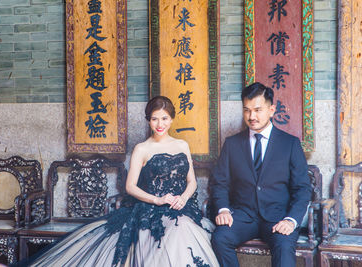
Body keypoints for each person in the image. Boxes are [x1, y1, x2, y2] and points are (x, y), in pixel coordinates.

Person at [27, 96, 219, 266]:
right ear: (148, 120)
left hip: (180, 207)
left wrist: (183, 199)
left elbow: (192, 182)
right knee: (170, 233)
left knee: (184, 228)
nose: (159, 124)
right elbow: (130, 187)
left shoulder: (182, 145)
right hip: (152, 208)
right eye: (154, 119)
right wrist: (157, 200)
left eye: (164, 118)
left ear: (172, 119)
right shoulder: (142, 148)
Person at [211, 82, 311, 267]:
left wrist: (291, 220)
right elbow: (220, 183)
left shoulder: (290, 144)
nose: (252, 116)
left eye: (258, 110)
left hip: (277, 217)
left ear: (271, 109)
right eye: (247, 110)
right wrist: (223, 209)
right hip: (242, 216)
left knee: (283, 243)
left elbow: (302, 189)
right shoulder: (232, 144)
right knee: (220, 238)